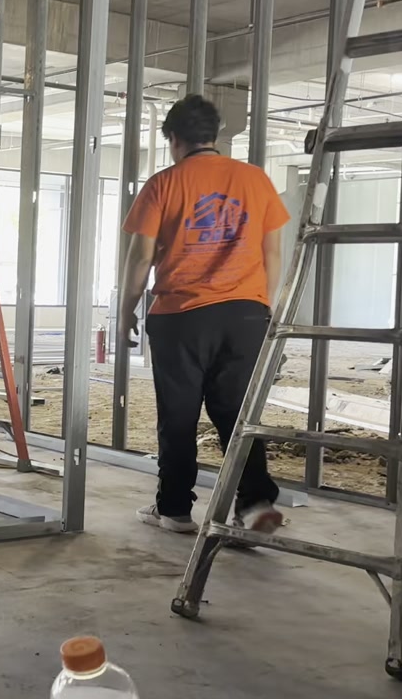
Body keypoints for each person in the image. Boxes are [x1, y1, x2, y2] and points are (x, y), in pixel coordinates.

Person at [118, 94, 287, 536]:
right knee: (237, 413)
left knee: (178, 414)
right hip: (247, 314)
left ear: (173, 138)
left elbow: (140, 258)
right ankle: (255, 506)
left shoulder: (163, 184)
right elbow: (273, 252)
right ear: (214, 136)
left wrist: (125, 311)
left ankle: (174, 509)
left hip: (181, 316)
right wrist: (264, 309)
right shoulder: (256, 181)